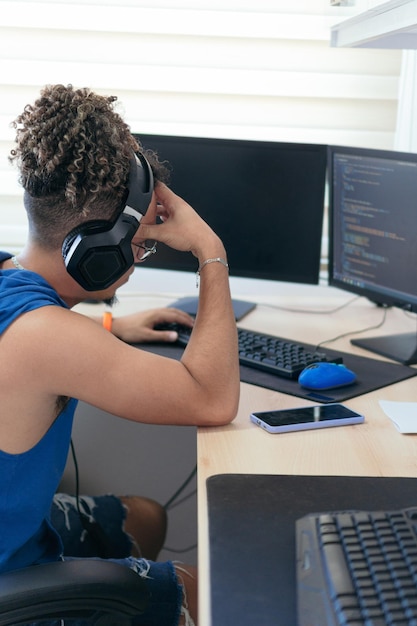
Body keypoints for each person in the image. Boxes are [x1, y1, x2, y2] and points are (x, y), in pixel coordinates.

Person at [0, 84, 240, 626]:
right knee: (203, 594)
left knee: (147, 519)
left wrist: (111, 325)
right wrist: (211, 252)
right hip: (10, 575)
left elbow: (33, 347)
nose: (139, 258)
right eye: (140, 245)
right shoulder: (49, 338)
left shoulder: (14, 285)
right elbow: (213, 397)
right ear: (95, 252)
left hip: (12, 530)